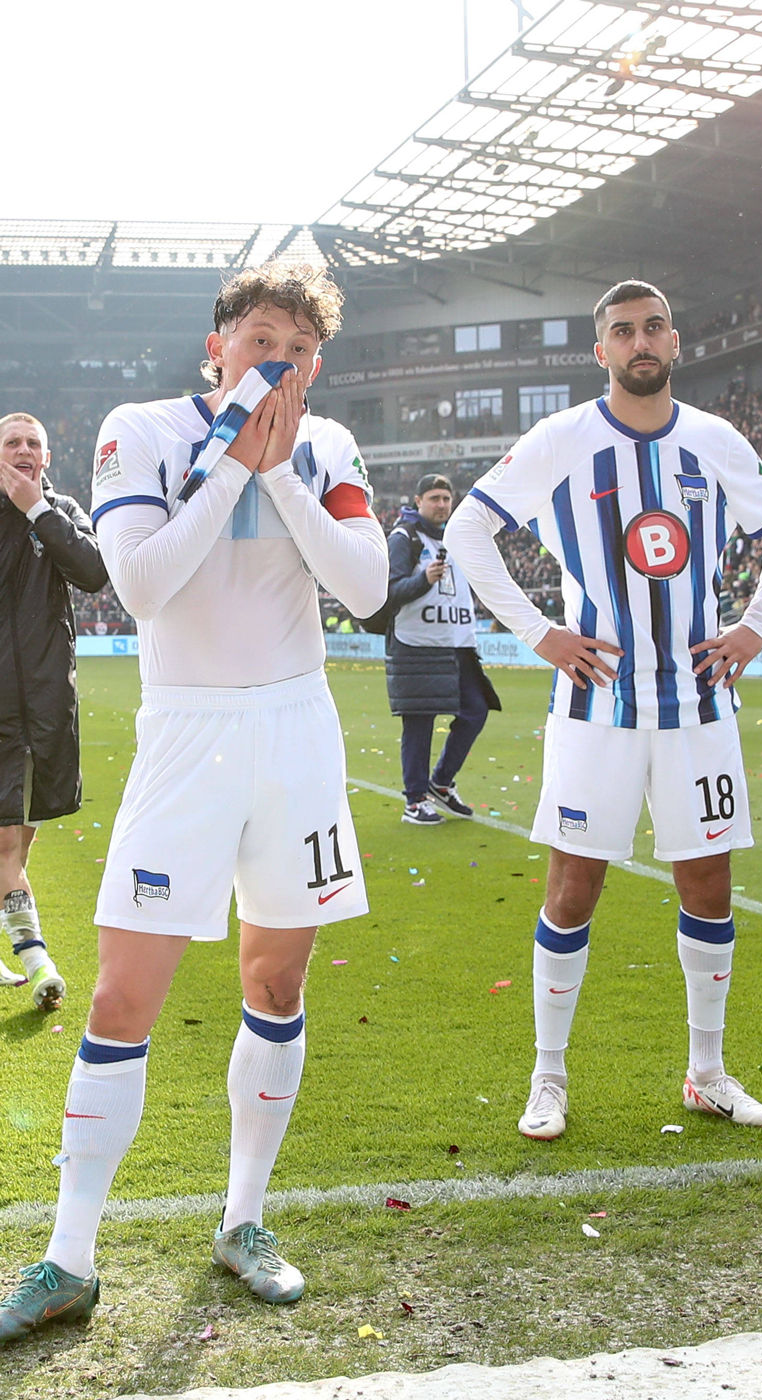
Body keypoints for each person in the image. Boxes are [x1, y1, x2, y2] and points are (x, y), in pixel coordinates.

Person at [0, 261, 389, 1344]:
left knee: (276, 973)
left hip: (297, 732)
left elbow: (364, 589)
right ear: (217, 345)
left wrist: (285, 478)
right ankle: (69, 1254)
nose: (280, 361)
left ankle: (244, 1219)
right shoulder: (143, 429)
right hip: (188, 736)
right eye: (261, 339)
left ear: (318, 363)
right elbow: (139, 584)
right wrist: (231, 465)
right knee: (122, 995)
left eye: (300, 349)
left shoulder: (329, 445)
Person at [445, 279, 762, 1141]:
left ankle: (709, 1072)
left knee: (709, 884)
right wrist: (540, 633)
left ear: (674, 342)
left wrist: (755, 627)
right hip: (595, 706)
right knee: (574, 887)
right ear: (600, 350)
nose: (640, 342)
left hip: (698, 704)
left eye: (652, 329)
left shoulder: (716, 441)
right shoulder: (562, 439)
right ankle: (548, 1077)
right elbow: (468, 531)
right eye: (622, 332)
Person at [0, 412, 108, 1010]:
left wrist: (36, 510)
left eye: (32, 443)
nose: (23, 449)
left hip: (46, 701)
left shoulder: (62, 510)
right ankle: (37, 961)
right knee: (4, 848)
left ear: (46, 456)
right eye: (11, 442)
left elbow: (93, 573)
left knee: (17, 844)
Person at [384, 473, 500, 825]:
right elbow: (388, 589)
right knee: (419, 720)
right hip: (417, 644)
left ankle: (441, 783)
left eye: (446, 498)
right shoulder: (404, 538)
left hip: (456, 645)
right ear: (417, 501)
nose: (441, 505)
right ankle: (415, 800)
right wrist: (424, 579)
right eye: (434, 498)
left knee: (476, 710)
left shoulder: (457, 538)